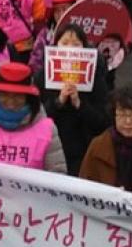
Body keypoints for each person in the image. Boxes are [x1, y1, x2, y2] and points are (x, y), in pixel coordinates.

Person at [0, 62, 67, 172]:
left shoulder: (47, 129)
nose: (11, 103)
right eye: (5, 95)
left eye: (18, 96)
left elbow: (58, 175)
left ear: (29, 98)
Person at [36, 24, 111, 175]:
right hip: (50, 149)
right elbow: (36, 118)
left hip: (83, 150)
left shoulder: (95, 78)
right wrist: (58, 102)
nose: (70, 49)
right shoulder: (42, 76)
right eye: (64, 44)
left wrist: (79, 104)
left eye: (76, 44)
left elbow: (103, 122)